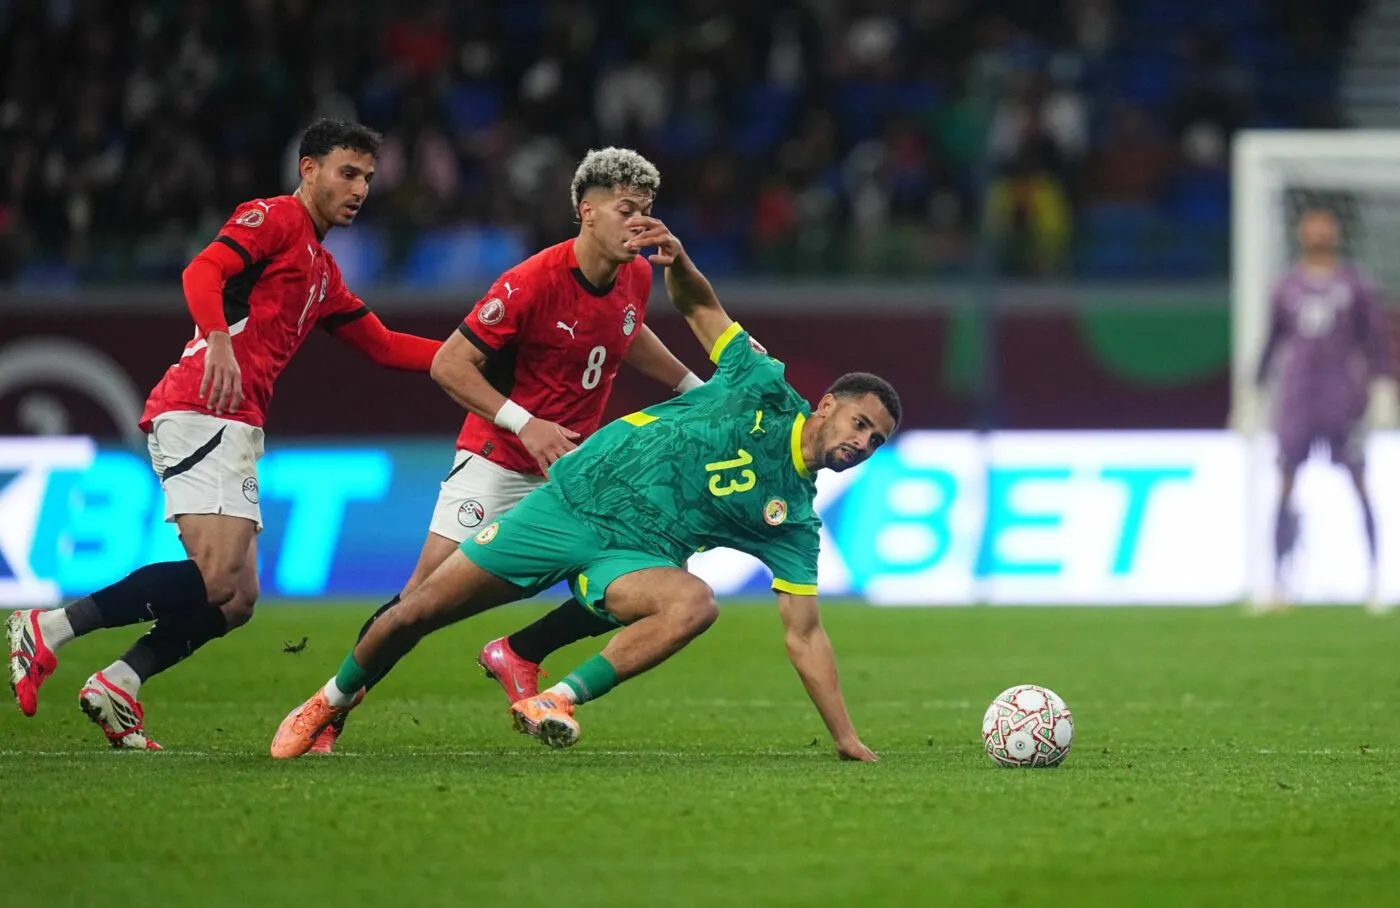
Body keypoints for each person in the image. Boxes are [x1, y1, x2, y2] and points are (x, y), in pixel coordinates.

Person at [270, 219, 900, 762]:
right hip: (571, 502)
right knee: (417, 611)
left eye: (875, 441)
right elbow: (703, 311)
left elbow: (806, 634)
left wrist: (844, 736)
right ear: (827, 406)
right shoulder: (760, 384)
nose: (862, 442)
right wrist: (678, 260)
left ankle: (558, 696)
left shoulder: (793, 522)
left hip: (634, 557)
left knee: (695, 604)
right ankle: (327, 702)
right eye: (860, 423)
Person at [7, 119, 442, 749]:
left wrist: (475, 352)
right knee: (216, 579)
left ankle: (119, 684)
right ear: (309, 170)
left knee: (236, 600)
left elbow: (384, 346)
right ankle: (49, 629)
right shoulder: (274, 219)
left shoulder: (322, 270)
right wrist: (216, 338)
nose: (360, 189)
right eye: (347, 173)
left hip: (235, 423)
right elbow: (201, 272)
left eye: (369, 179)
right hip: (201, 408)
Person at [315, 147, 703, 753]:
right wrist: (528, 423)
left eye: (647, 210)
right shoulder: (531, 282)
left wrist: (690, 387)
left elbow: (626, 330)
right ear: (587, 212)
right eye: (626, 209)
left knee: (647, 579)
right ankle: (333, 707)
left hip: (573, 474)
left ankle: (522, 651)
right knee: (421, 605)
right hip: (499, 460)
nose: (639, 223)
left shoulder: (635, 273)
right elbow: (450, 363)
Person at [1253, 207, 1397, 612]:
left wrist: (1385, 385)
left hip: (1343, 399)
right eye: (1311, 225)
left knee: (1360, 484)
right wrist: (1254, 392)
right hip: (1297, 400)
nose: (1318, 231)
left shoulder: (1356, 285)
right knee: (1284, 484)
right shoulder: (1285, 287)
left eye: (1325, 224)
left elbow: (1376, 341)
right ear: (1301, 232)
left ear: (1336, 232)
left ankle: (1374, 582)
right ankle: (1278, 585)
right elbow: (1272, 342)